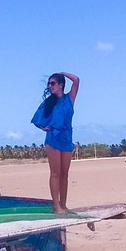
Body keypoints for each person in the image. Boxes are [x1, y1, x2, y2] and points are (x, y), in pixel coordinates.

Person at [32, 71, 79, 213]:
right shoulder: (49, 102)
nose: (50, 86)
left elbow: (76, 80)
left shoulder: (69, 98)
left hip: (66, 137)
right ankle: (56, 206)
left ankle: (63, 205)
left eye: (53, 83)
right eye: (49, 83)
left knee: (65, 174)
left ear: (61, 85)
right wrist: (42, 127)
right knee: (55, 173)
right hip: (53, 138)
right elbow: (36, 119)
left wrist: (62, 73)